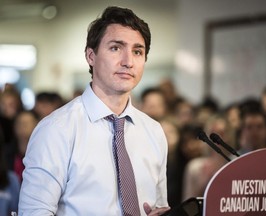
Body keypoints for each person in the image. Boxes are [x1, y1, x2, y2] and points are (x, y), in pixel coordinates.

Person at [18, 6, 170, 216]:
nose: (128, 62)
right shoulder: (57, 129)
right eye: (116, 48)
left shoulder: (154, 132)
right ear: (91, 56)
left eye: (137, 51)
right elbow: (34, 212)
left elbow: (160, 207)